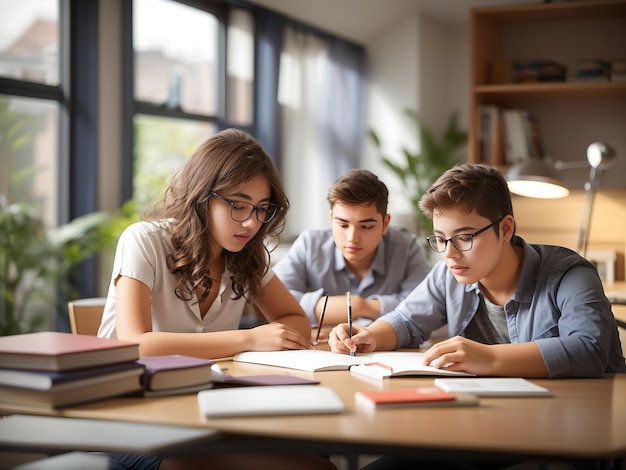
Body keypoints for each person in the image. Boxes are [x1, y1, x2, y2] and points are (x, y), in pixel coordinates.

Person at [98, 129, 336, 470]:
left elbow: (294, 319)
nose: (252, 222)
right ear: (201, 196)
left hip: (200, 407)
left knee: (316, 451)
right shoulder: (145, 241)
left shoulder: (245, 257)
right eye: (238, 206)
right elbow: (137, 345)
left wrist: (266, 340)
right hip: (127, 415)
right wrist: (251, 338)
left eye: (261, 209)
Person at [330, 162, 626, 378]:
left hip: (568, 431)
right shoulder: (450, 272)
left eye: (465, 237)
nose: (449, 253)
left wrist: (489, 357)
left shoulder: (570, 275)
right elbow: (406, 321)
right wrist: (368, 335)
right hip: (480, 424)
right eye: (440, 239)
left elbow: (589, 350)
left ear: (505, 228)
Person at [274, 168, 430, 330]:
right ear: (331, 219)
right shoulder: (309, 244)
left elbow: (422, 308)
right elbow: (276, 302)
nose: (352, 238)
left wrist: (363, 306)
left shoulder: (407, 248)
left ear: (385, 224)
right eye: (342, 225)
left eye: (366, 226)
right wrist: (354, 306)